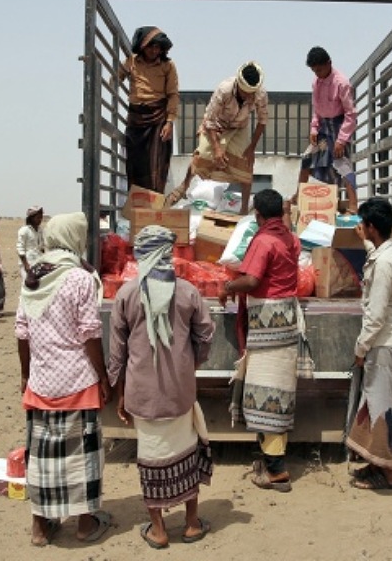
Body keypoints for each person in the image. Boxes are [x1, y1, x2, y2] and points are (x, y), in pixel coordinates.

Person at [107, 225, 215, 549]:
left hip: (142, 394)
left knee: (150, 457)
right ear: (168, 254)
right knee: (187, 450)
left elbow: (117, 352)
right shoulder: (187, 292)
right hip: (181, 392)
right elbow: (206, 335)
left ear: (142, 255)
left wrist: (120, 392)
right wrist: (189, 365)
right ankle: (192, 523)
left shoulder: (127, 294)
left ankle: (159, 530)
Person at [15, 212, 112, 547]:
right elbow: (90, 334)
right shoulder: (80, 278)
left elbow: (22, 333)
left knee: (41, 455)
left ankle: (40, 528)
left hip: (41, 383)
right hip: (77, 381)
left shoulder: (33, 277)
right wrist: (103, 376)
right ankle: (85, 524)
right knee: (83, 456)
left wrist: (26, 374)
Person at [218, 189, 300, 492]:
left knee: (267, 395)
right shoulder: (289, 238)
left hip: (268, 324)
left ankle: (277, 471)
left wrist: (228, 286)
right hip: (287, 320)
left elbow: (251, 281)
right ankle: (269, 461)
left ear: (258, 215)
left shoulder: (263, 241)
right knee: (279, 393)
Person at [345, 197, 392, 490]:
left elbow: (376, 315)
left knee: (382, 409)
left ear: (371, 226)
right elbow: (380, 261)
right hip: (388, 341)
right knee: (373, 404)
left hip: (383, 344)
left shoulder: (384, 263)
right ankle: (375, 466)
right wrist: (367, 245)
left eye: (363, 224)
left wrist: (361, 349)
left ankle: (390, 475)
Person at [166, 61, 268, 213]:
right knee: (202, 155)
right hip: (215, 125)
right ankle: (184, 186)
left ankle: (244, 209)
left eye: (250, 93)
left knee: (246, 164)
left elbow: (262, 121)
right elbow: (210, 120)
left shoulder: (260, 95)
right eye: (244, 92)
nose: (247, 96)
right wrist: (217, 148)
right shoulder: (224, 89)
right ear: (239, 85)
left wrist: (252, 148)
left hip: (239, 127)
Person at [295, 46, 358, 213]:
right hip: (323, 128)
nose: (317, 73)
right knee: (307, 159)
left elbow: (351, 114)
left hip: (339, 126)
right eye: (314, 70)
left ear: (329, 63)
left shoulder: (341, 83)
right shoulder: (316, 83)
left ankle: (353, 204)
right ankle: (298, 196)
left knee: (342, 164)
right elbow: (317, 109)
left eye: (320, 69)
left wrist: (341, 140)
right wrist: (314, 128)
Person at [119, 26, 179, 193]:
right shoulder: (131, 61)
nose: (154, 50)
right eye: (151, 46)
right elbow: (116, 78)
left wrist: (169, 122)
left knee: (156, 163)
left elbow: (173, 94)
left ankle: (154, 203)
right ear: (142, 46)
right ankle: (137, 203)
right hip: (136, 117)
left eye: (158, 47)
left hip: (158, 117)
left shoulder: (168, 66)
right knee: (135, 160)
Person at [16, 206, 45, 279]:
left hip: (38, 262)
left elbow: (41, 246)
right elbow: (20, 249)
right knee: (28, 284)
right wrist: (26, 265)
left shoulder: (40, 230)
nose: (40, 220)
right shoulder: (24, 230)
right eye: (38, 217)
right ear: (32, 218)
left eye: (41, 217)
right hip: (28, 263)